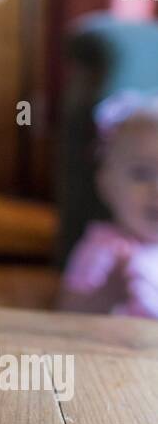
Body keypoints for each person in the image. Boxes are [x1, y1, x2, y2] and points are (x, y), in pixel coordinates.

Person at [60, 92, 158, 317]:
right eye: (142, 173)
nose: (157, 189)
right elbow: (67, 314)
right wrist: (108, 294)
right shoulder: (105, 249)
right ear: (107, 184)